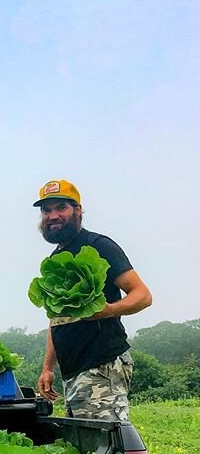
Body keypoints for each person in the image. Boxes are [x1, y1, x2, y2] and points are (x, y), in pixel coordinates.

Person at [34, 179, 152, 420]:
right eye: (46, 210)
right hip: (74, 370)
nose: (52, 216)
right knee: (87, 445)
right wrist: (48, 368)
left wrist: (106, 310)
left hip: (101, 364)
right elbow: (57, 317)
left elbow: (142, 296)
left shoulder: (99, 246)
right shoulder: (56, 257)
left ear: (78, 210)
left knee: (107, 444)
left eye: (61, 208)